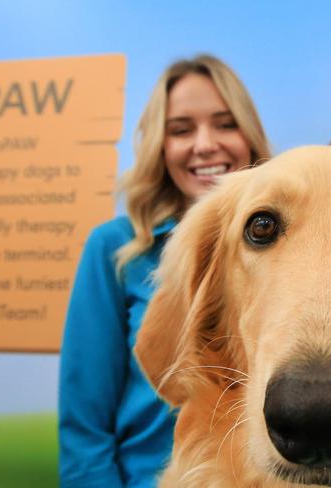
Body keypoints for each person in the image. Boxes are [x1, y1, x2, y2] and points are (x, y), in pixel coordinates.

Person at [58, 54, 271, 488]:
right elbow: (85, 430)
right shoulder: (114, 249)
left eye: (225, 124)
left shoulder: (292, 249)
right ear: (160, 145)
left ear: (250, 137)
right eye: (181, 130)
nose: (205, 144)